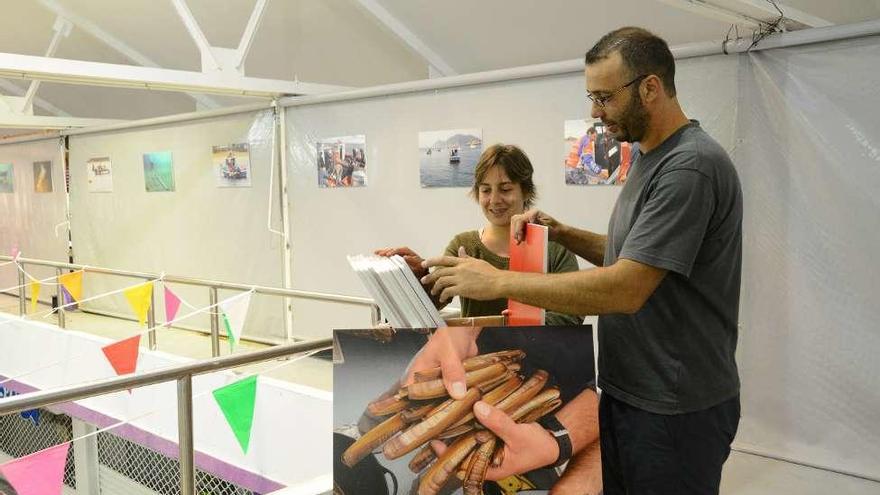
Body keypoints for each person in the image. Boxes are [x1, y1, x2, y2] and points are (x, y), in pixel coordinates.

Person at [421, 26, 743, 495]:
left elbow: (625, 288)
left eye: (604, 98)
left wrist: (497, 282)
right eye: (591, 97)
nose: (595, 113)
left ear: (650, 88)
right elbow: (632, 256)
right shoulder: (651, 159)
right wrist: (564, 233)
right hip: (631, 392)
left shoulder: (688, 168)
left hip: (672, 405)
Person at [375, 144, 602, 494]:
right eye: (485, 189)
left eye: (506, 188)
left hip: (540, 379)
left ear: (526, 191)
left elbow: (569, 319)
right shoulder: (465, 244)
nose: (494, 199)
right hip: (473, 369)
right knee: (441, 462)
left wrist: (496, 292)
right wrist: (415, 275)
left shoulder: (553, 250)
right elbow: (435, 298)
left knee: (519, 470)